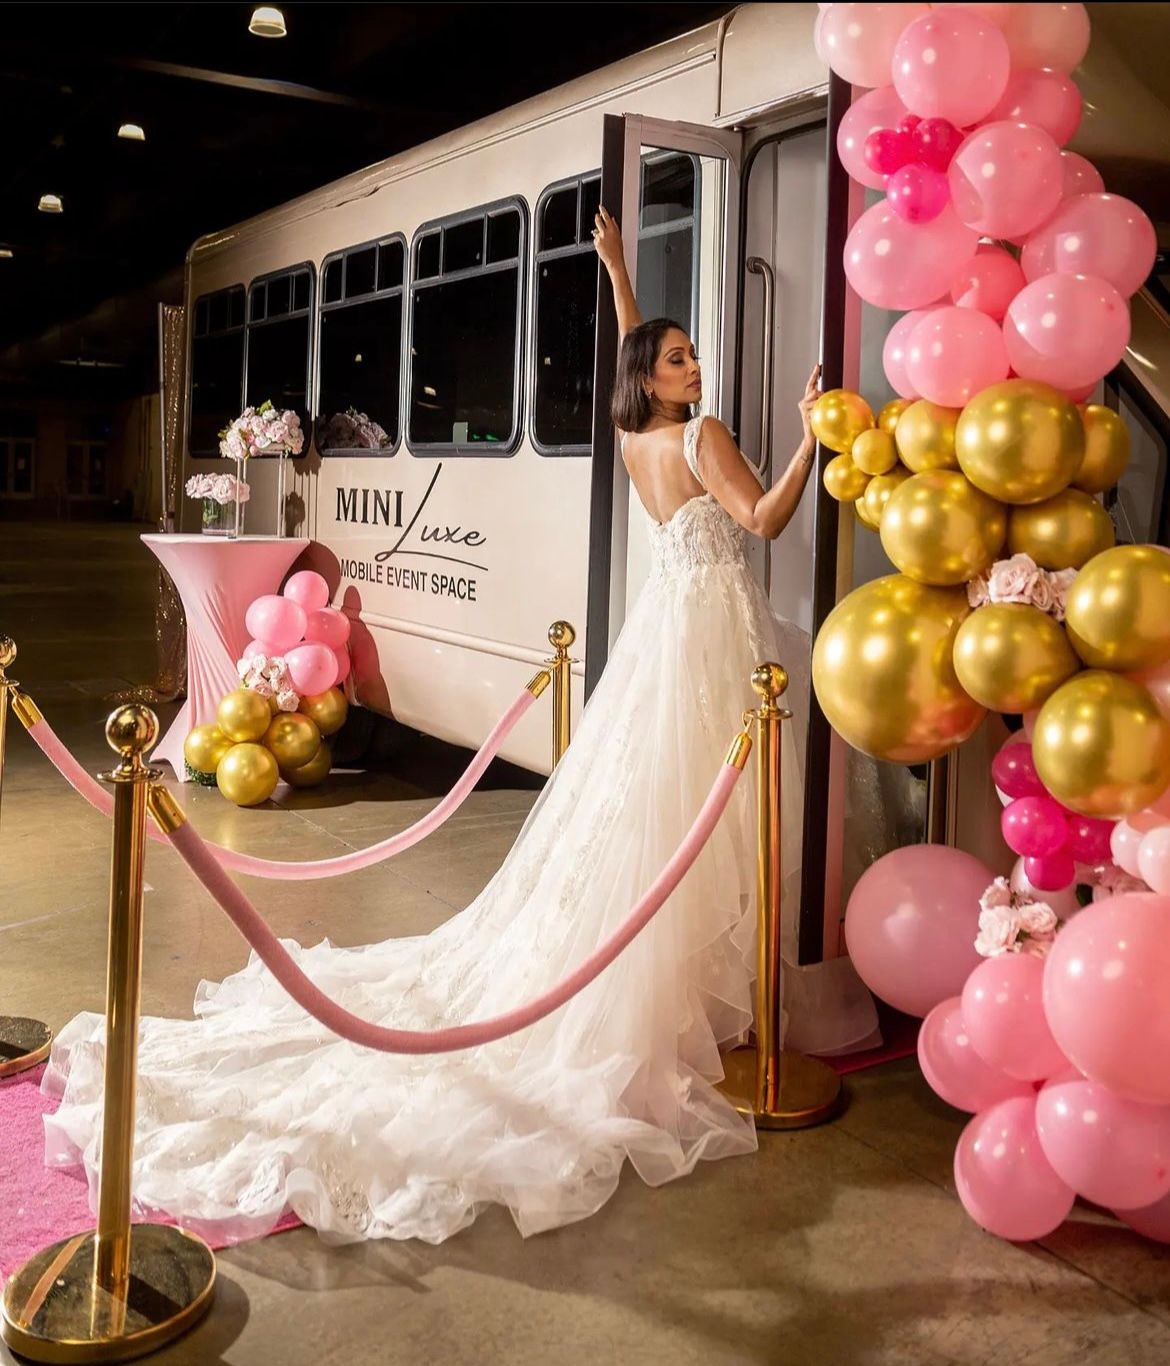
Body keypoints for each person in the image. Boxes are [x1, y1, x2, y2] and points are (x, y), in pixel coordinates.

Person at [43, 209, 876, 1248]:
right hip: (714, 634)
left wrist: (618, 271)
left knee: (652, 807)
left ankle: (682, 984)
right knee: (708, 805)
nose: (694, 363)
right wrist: (806, 439)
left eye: (689, 350)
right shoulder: (704, 437)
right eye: (678, 355)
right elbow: (762, 522)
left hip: (667, 629)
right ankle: (717, 996)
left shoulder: (633, 438)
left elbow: (635, 362)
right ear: (655, 379)